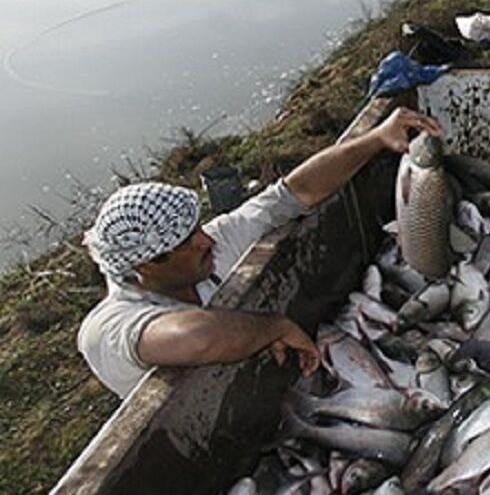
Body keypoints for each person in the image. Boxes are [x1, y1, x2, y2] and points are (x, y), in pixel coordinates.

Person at [78, 107, 441, 398]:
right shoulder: (107, 327)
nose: (205, 241)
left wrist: (376, 138)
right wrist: (274, 328)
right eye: (185, 244)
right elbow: (195, 338)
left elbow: (292, 193)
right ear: (146, 266)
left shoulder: (211, 247)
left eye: (196, 230)